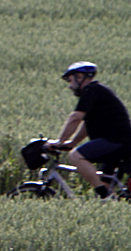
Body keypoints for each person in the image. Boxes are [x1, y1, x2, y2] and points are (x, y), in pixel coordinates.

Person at [47, 61, 131, 199]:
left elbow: (75, 118)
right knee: (105, 184)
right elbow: (87, 125)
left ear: (80, 77)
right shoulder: (97, 91)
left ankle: (105, 195)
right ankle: (109, 200)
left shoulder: (91, 90)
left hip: (116, 142)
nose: (69, 86)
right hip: (117, 143)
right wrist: (72, 142)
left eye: (70, 80)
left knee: (75, 156)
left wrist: (59, 141)